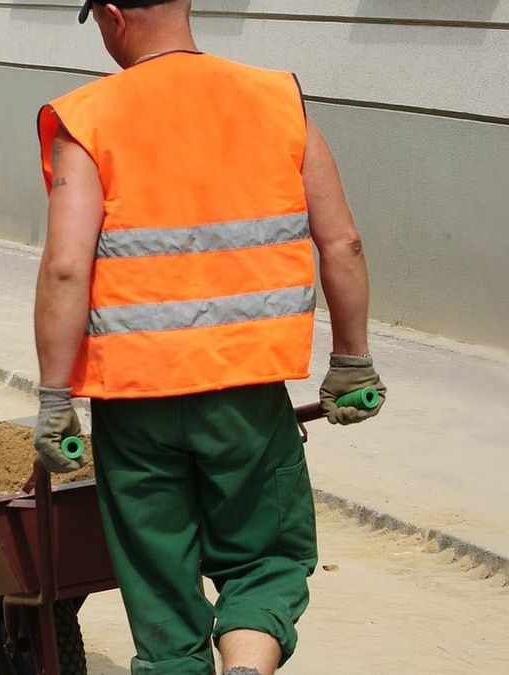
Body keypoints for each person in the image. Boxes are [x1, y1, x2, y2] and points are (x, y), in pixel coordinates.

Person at [32, 2, 387, 674]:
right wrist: (351, 361)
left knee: (161, 585)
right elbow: (342, 241)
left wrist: (55, 399)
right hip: (246, 396)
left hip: (135, 401)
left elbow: (66, 266)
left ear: (113, 17)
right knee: (265, 560)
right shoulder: (278, 99)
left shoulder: (87, 117)